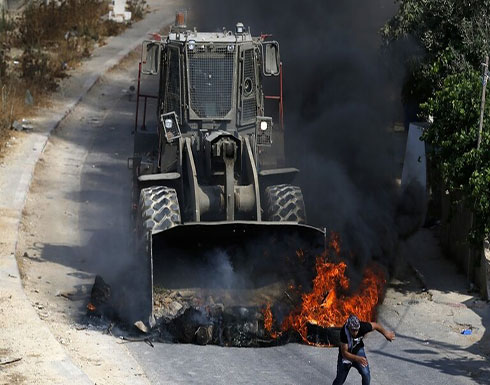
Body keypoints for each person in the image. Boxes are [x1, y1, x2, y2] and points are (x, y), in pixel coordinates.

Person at [332, 314, 395, 385]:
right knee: (339, 380)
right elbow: (344, 353)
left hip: (358, 351)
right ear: (349, 327)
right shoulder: (344, 332)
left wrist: (386, 333)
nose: (355, 332)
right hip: (346, 358)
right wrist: (357, 358)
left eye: (356, 330)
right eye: (353, 330)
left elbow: (376, 325)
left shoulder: (363, 327)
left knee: (366, 374)